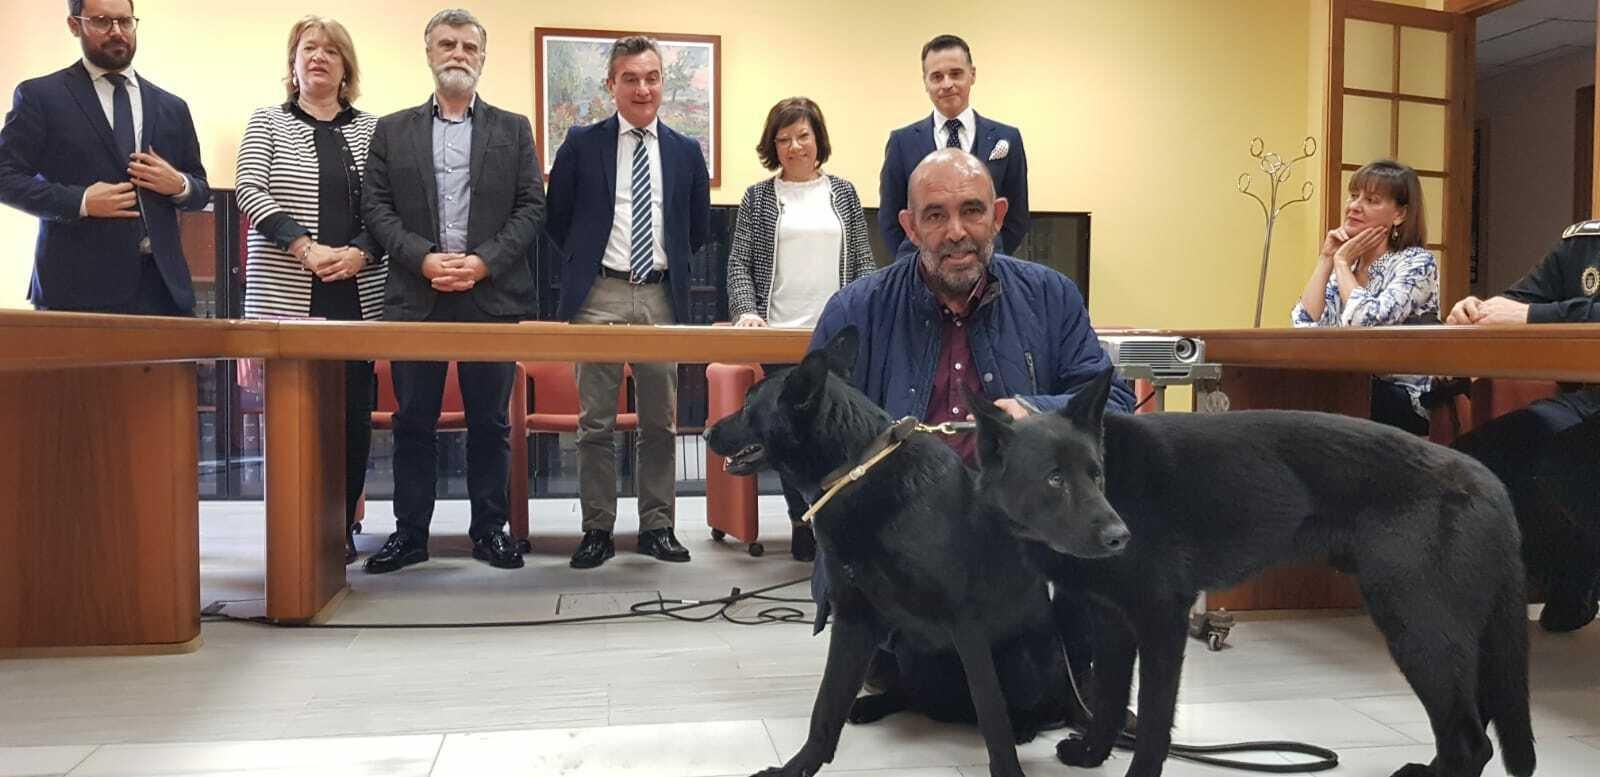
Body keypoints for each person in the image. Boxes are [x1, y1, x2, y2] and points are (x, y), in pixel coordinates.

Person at [809, 148, 1132, 682]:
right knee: (933, 689)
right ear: (909, 227)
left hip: (1020, 534)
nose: (956, 231)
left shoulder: (1052, 297)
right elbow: (810, 436)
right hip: (900, 544)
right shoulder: (854, 310)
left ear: (998, 217)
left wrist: (1035, 413)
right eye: (935, 215)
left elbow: (1113, 403)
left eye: (972, 211)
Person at [360, 8, 543, 574]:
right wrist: (423, 258)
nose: (458, 53)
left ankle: (490, 531)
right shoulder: (392, 130)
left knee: (491, 422)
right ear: (429, 52)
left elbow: (532, 207)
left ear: (483, 58)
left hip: (491, 295)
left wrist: (484, 263)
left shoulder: (513, 129)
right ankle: (410, 533)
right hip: (417, 295)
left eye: (469, 45)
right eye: (447, 43)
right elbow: (376, 208)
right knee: (412, 419)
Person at [545, 35, 710, 570]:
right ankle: (597, 528)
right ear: (611, 85)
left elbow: (699, 229)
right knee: (595, 423)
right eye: (630, 78)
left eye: (652, 77)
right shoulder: (581, 143)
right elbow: (557, 220)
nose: (643, 88)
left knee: (660, 423)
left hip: (662, 295)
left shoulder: (686, 151)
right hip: (600, 292)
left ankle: (658, 526)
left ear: (663, 82)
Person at [235, 15, 384, 564]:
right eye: (308, 49)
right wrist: (305, 248)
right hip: (288, 292)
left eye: (330, 51)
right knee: (295, 411)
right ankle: (296, 523)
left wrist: (359, 252)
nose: (318, 57)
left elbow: (387, 209)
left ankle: (342, 523)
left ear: (346, 68)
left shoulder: (372, 131)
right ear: (293, 63)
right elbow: (248, 190)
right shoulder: (267, 121)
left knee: (351, 415)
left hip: (356, 292)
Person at [726, 96, 876, 561]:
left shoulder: (845, 193)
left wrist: (868, 312)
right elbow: (738, 265)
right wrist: (746, 311)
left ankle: (838, 517)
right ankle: (801, 522)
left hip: (834, 334)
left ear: (818, 139)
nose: (795, 146)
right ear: (774, 145)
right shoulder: (758, 197)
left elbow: (865, 261)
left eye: (803, 136)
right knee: (791, 434)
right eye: (784, 138)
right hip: (779, 332)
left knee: (835, 431)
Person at [0, 0, 210, 314]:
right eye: (102, 21)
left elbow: (200, 190)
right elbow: (5, 176)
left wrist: (179, 184)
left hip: (164, 292)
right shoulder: (41, 96)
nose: (117, 32)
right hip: (74, 291)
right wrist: (81, 201)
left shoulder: (172, 107)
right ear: (75, 25)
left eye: (125, 22)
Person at [1445, 218, 1600, 632]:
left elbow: (1529, 312)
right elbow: (1517, 302)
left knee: (1565, 463)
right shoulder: (1585, 242)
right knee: (1477, 458)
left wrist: (1535, 315)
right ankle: (1571, 564)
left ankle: (1582, 561)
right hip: (1591, 397)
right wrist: (1477, 309)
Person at [1292, 159, 1438, 435]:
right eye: (1353, 196)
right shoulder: (1346, 265)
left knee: (1324, 402)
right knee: (1296, 390)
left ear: (1400, 215)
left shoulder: (1416, 263)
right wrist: (1326, 259)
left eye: (1371, 200)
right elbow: (1303, 324)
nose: (1354, 206)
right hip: (1345, 383)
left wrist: (1342, 263)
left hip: (1400, 396)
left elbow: (1365, 322)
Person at [879, 34, 1028, 258]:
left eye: (956, 74)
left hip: (987, 267)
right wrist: (915, 263)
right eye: (937, 77)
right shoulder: (902, 142)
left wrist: (989, 254)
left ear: (972, 75)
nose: (947, 84)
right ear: (925, 82)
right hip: (920, 270)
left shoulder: (1008, 138)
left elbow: (1016, 217)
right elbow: (891, 217)